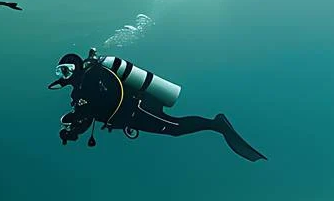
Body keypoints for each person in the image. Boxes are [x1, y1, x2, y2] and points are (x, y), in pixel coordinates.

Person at [48, 49, 267, 161]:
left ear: (77, 67)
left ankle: (216, 124)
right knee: (175, 129)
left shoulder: (95, 75)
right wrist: (74, 131)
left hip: (139, 107)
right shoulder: (79, 91)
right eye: (60, 72)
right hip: (129, 117)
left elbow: (108, 97)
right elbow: (89, 116)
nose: (63, 76)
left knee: (176, 128)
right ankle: (215, 125)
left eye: (66, 70)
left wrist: (82, 112)